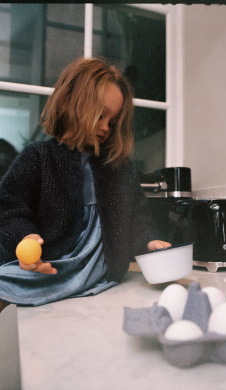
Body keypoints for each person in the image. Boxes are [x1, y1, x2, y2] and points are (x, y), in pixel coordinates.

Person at [0, 57, 171, 312]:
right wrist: (25, 237)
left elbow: (136, 216)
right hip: (51, 262)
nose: (105, 128)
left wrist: (149, 240)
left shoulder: (120, 167)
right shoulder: (38, 156)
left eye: (112, 123)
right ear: (73, 104)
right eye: (100, 116)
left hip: (99, 267)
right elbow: (8, 207)